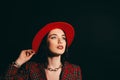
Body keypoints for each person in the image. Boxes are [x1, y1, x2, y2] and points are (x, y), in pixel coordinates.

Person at [4, 22, 82, 80]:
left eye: (63, 38)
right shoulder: (31, 68)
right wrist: (19, 62)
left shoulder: (75, 70)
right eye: (54, 37)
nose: (60, 41)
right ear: (45, 43)